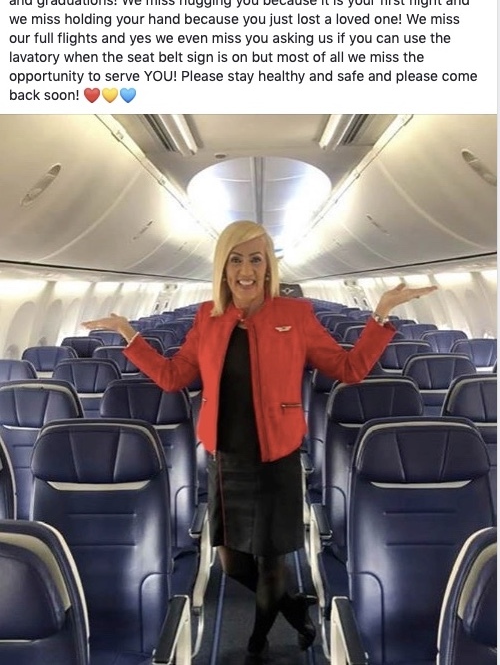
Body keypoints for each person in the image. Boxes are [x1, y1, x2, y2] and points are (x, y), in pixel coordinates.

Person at [82, 219, 437, 663]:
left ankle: (257, 644)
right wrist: (129, 335)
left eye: (256, 259)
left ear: (268, 267)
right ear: (223, 266)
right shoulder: (207, 317)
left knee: (272, 561)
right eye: (236, 260)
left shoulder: (295, 315)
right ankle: (295, 609)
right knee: (232, 563)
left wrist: (380, 314)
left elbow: (349, 369)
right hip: (226, 459)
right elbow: (173, 377)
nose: (246, 270)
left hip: (277, 457)